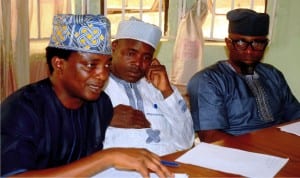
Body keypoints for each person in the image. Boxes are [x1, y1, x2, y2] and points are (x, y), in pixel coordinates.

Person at [1, 14, 172, 178]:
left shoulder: (99, 105)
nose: (102, 75)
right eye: (91, 65)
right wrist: (107, 158)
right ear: (59, 64)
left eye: (107, 65)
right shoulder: (21, 110)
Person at [187, 8, 300, 143]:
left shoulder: (273, 74)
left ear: (265, 44)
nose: (249, 51)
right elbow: (210, 136)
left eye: (257, 43)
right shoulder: (208, 80)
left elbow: (296, 117)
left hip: (280, 148)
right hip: (235, 153)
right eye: (241, 42)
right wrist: (257, 152)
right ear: (229, 44)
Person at [103, 17, 194, 156]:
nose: (138, 64)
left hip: (166, 167)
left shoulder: (156, 89)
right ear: (114, 48)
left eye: (146, 58)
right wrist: (104, 119)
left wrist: (167, 92)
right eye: (131, 54)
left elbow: (186, 142)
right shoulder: (97, 88)